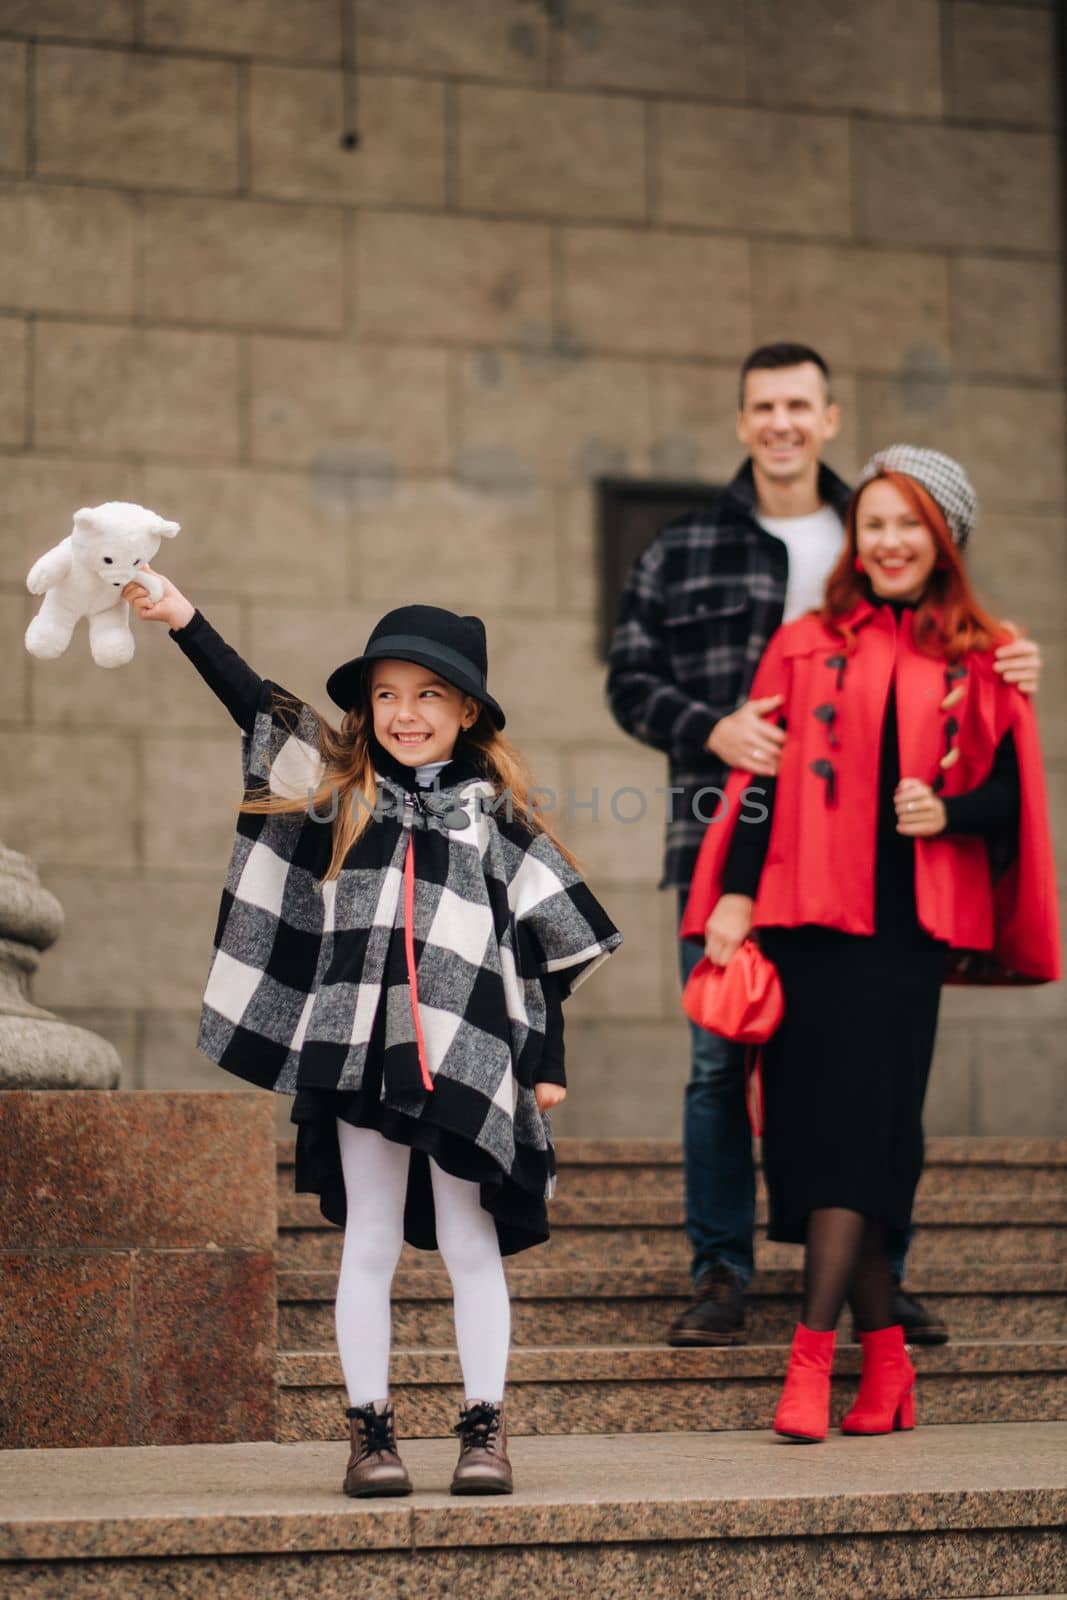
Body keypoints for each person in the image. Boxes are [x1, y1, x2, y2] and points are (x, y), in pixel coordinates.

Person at [124, 576, 621, 1496]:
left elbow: (544, 946)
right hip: (355, 1047)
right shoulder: (336, 787)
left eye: (428, 694)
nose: (404, 713)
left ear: (466, 709)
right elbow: (257, 702)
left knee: (471, 1242)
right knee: (371, 1242)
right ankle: (370, 1433)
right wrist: (183, 619)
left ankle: (483, 1430)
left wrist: (543, 1063)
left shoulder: (496, 817)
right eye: (386, 694)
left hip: (466, 1053)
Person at [607, 343, 1043, 1348]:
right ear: (741, 420)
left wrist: (1005, 666)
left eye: (797, 404)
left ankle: (872, 1280)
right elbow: (629, 682)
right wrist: (709, 728)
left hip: (875, 886)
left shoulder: (889, 518)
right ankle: (722, 1271)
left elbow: (961, 683)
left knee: (875, 1089)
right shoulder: (684, 549)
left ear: (828, 417)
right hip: (733, 851)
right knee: (721, 1066)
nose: (780, 422)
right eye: (762, 405)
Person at [680, 446, 1060, 1441]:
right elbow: (757, 779)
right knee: (810, 1140)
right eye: (874, 523)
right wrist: (728, 893)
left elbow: (1012, 796)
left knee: (860, 1133)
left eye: (908, 524)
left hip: (900, 936)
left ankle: (810, 1361)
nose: (887, 541)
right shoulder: (803, 640)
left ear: (943, 541)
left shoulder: (981, 653)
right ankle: (885, 1365)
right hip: (801, 921)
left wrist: (945, 810)